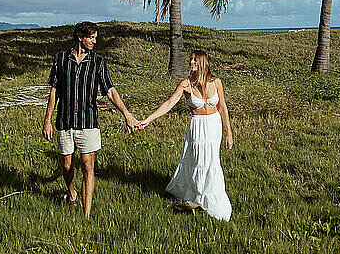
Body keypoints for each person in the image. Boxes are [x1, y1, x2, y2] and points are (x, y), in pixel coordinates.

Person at [42, 21, 138, 218]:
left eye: (96, 37)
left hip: (88, 122)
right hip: (64, 121)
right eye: (91, 37)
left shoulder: (98, 62)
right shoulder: (60, 59)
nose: (95, 41)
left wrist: (126, 114)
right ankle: (71, 194)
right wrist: (47, 120)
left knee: (88, 166)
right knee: (67, 166)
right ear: (80, 37)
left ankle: (86, 215)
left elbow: (110, 91)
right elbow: (54, 91)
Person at [138, 50, 233, 219]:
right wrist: (148, 119)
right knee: (198, 161)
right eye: (191, 60)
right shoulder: (186, 84)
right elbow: (168, 104)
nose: (191, 63)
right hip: (197, 125)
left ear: (204, 63)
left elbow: (223, 107)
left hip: (213, 125)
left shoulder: (216, 82)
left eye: (195, 60)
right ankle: (197, 196)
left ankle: (210, 198)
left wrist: (229, 133)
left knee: (212, 161)